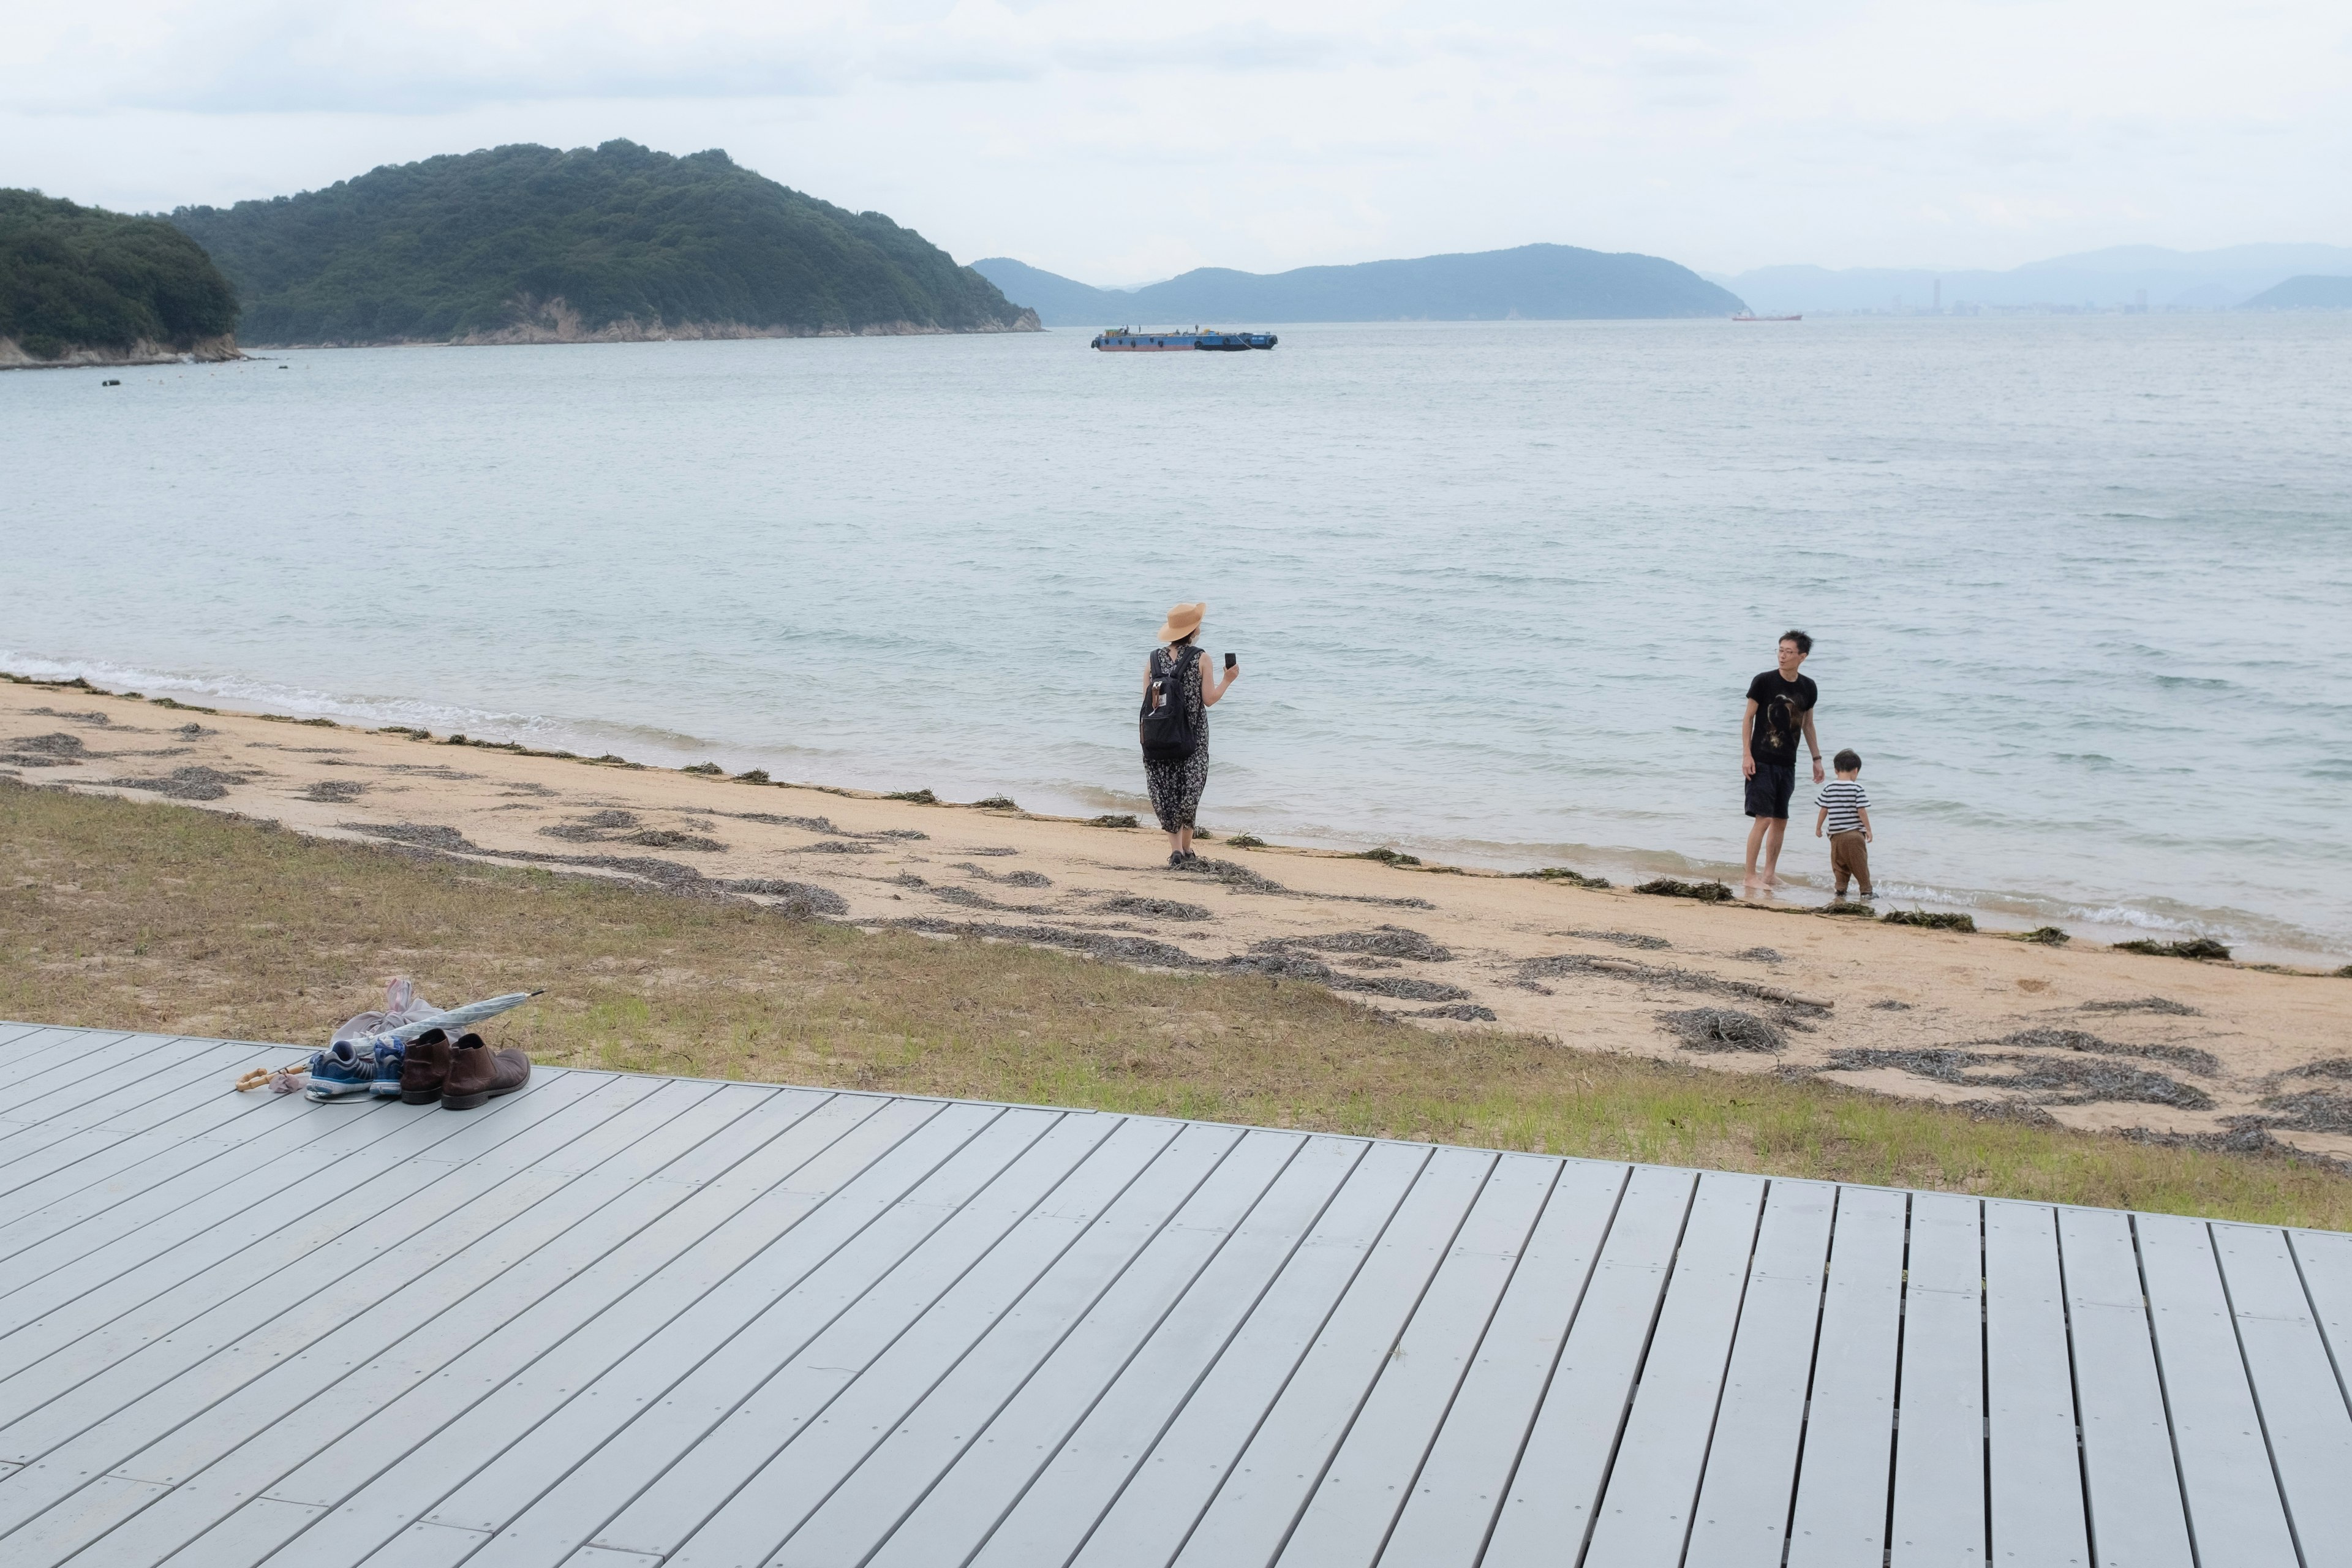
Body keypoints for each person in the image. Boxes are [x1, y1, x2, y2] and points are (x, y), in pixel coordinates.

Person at [1140, 601, 1238, 865]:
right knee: (1189, 791)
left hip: (1159, 737)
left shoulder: (1152, 660)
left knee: (1167, 790)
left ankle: (1177, 851)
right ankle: (1186, 850)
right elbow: (1209, 699)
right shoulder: (1201, 657)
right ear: (1195, 630)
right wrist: (1228, 679)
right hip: (1193, 737)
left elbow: (1147, 703)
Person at [1740, 630, 1824, 891]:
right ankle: (1749, 877)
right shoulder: (1763, 681)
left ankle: (1769, 874)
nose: (1783, 656)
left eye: (1789, 652)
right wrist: (1746, 754)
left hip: (1788, 763)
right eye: (1780, 650)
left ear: (1802, 657)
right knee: (1763, 818)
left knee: (1780, 819)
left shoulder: (1808, 687)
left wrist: (1816, 758)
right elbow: (1748, 718)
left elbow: (1808, 725)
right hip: (1761, 760)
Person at [1814, 748, 1874, 899]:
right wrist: (1868, 830)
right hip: (1855, 835)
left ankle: (1841, 890)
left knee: (1839, 865)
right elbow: (1862, 811)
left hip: (1836, 836)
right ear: (1856, 771)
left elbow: (1824, 810)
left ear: (1836, 771)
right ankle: (1866, 891)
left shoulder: (1829, 788)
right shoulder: (1857, 788)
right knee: (1860, 864)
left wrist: (1818, 827)